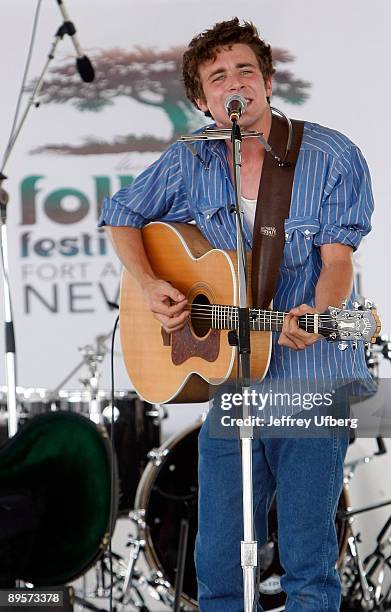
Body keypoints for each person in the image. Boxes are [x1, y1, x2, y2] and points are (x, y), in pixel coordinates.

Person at [99, 18, 374, 611]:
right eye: (218, 76)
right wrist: (150, 285)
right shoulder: (189, 160)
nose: (235, 83)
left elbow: (337, 261)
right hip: (233, 378)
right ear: (202, 100)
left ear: (269, 81)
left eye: (245, 70)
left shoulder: (329, 154)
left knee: (307, 561)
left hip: (311, 374)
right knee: (217, 561)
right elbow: (120, 213)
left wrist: (320, 312)